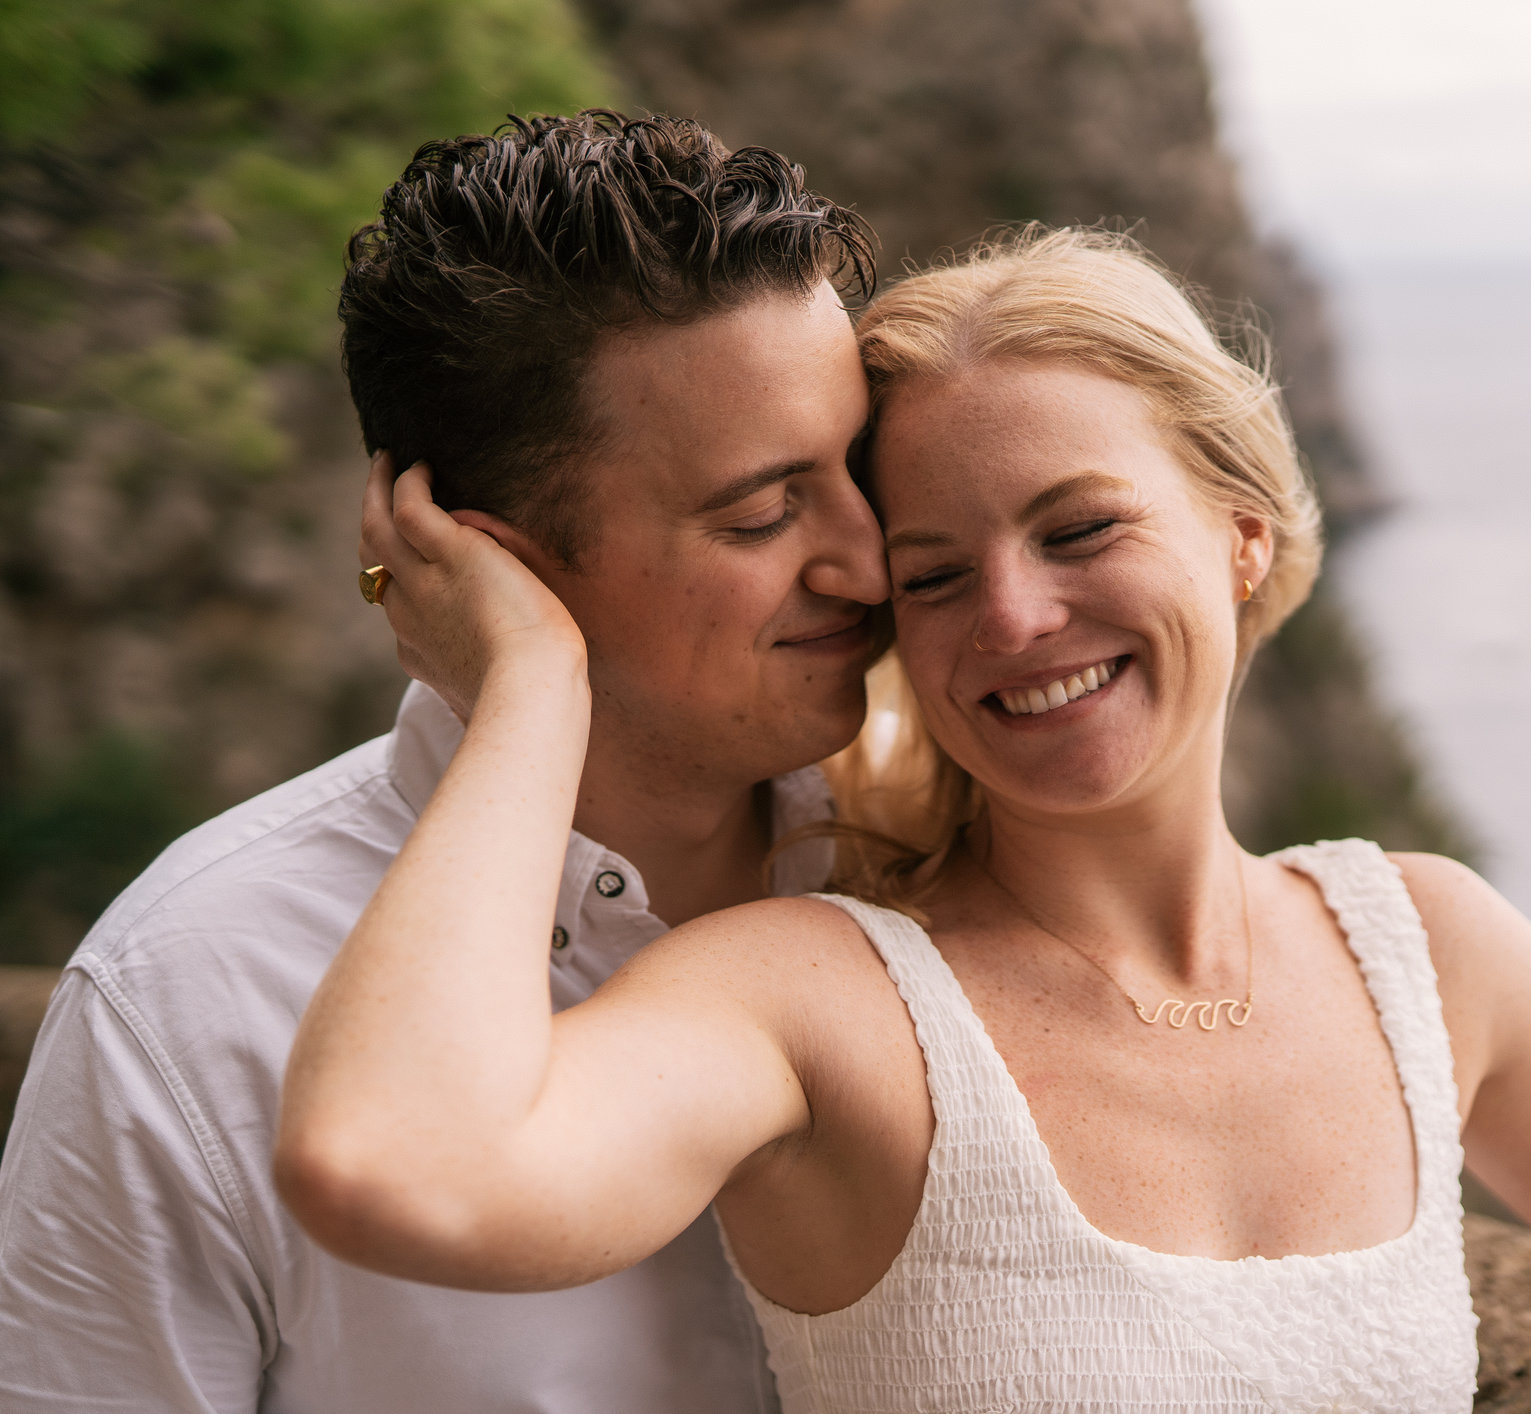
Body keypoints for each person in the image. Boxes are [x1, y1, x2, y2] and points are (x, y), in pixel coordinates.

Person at [277, 229, 1531, 1414]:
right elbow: (390, 1165)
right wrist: (529, 687)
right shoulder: (814, 996)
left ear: (1239, 535)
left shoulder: (1425, 942)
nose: (1013, 618)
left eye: (1079, 528)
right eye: (932, 575)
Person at [0, 111, 885, 1412]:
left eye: (861, 466)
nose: (868, 563)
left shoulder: (951, 863)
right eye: (760, 512)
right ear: (494, 562)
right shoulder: (187, 1000)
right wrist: (538, 685)